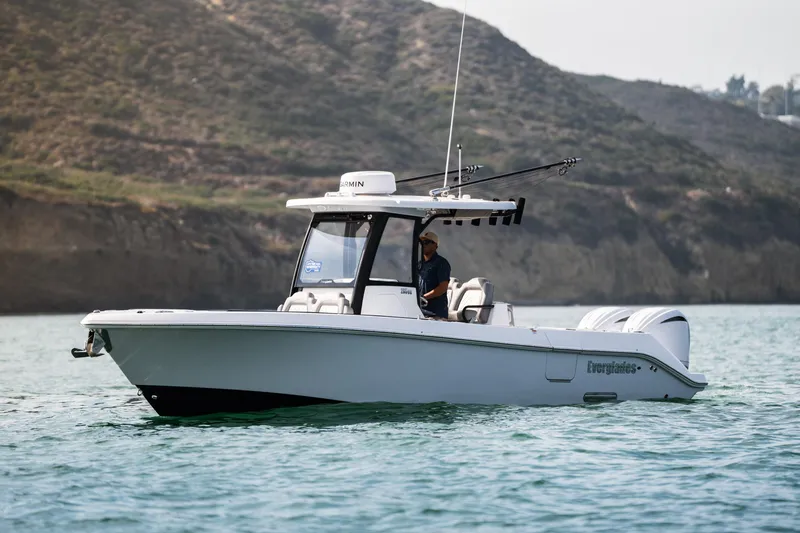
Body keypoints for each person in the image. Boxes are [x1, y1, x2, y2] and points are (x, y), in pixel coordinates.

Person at [417, 230, 451, 319]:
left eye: (427, 242)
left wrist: (423, 298)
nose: (423, 245)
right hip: (421, 312)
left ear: (435, 245)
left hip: (435, 314)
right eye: (422, 242)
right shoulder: (420, 264)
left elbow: (443, 288)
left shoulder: (441, 263)